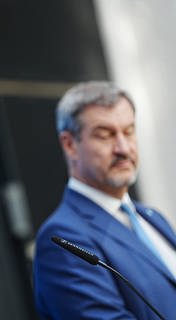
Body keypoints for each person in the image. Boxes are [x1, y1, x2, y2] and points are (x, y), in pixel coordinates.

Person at [33, 81, 176, 319]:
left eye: (129, 131)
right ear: (70, 145)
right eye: (105, 135)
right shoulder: (63, 238)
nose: (123, 147)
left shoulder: (152, 218)